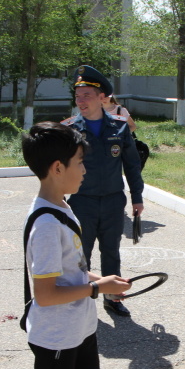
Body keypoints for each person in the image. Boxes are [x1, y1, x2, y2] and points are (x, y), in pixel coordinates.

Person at [21, 121, 132, 369]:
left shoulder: (63, 207)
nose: (84, 169)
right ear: (56, 168)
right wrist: (94, 290)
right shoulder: (47, 224)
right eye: (79, 162)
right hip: (55, 337)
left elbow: (71, 272)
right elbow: (46, 294)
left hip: (80, 328)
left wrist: (99, 281)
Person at [62, 64, 144, 317]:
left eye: (86, 95)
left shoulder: (119, 127)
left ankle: (113, 298)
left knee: (111, 251)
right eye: (78, 96)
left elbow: (131, 164)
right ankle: (78, 301)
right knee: (80, 254)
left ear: (102, 98)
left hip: (112, 200)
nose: (81, 101)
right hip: (81, 202)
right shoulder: (70, 129)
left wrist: (137, 197)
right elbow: (60, 168)